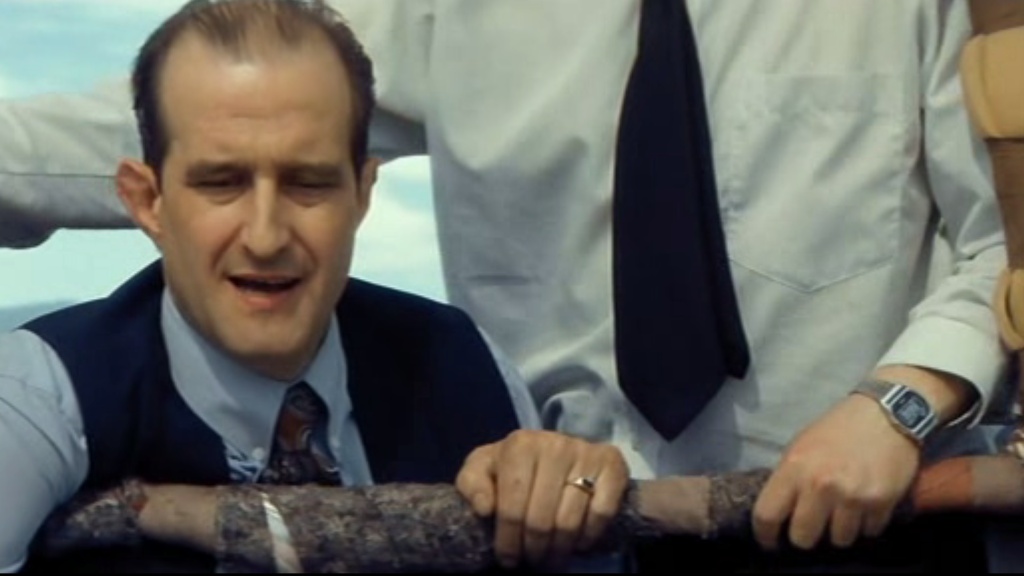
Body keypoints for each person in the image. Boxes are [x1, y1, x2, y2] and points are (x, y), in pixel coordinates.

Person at [0, 0, 1010, 569]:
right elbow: (209, 133)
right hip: (550, 540)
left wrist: (897, 407)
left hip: (883, 529)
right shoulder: (447, 12)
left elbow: (1003, 245)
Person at [0, 1, 630, 572]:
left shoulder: (468, 371)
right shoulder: (44, 399)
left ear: (362, 193)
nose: (266, 235)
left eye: (308, 183)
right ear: (147, 201)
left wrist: (577, 499)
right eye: (222, 182)